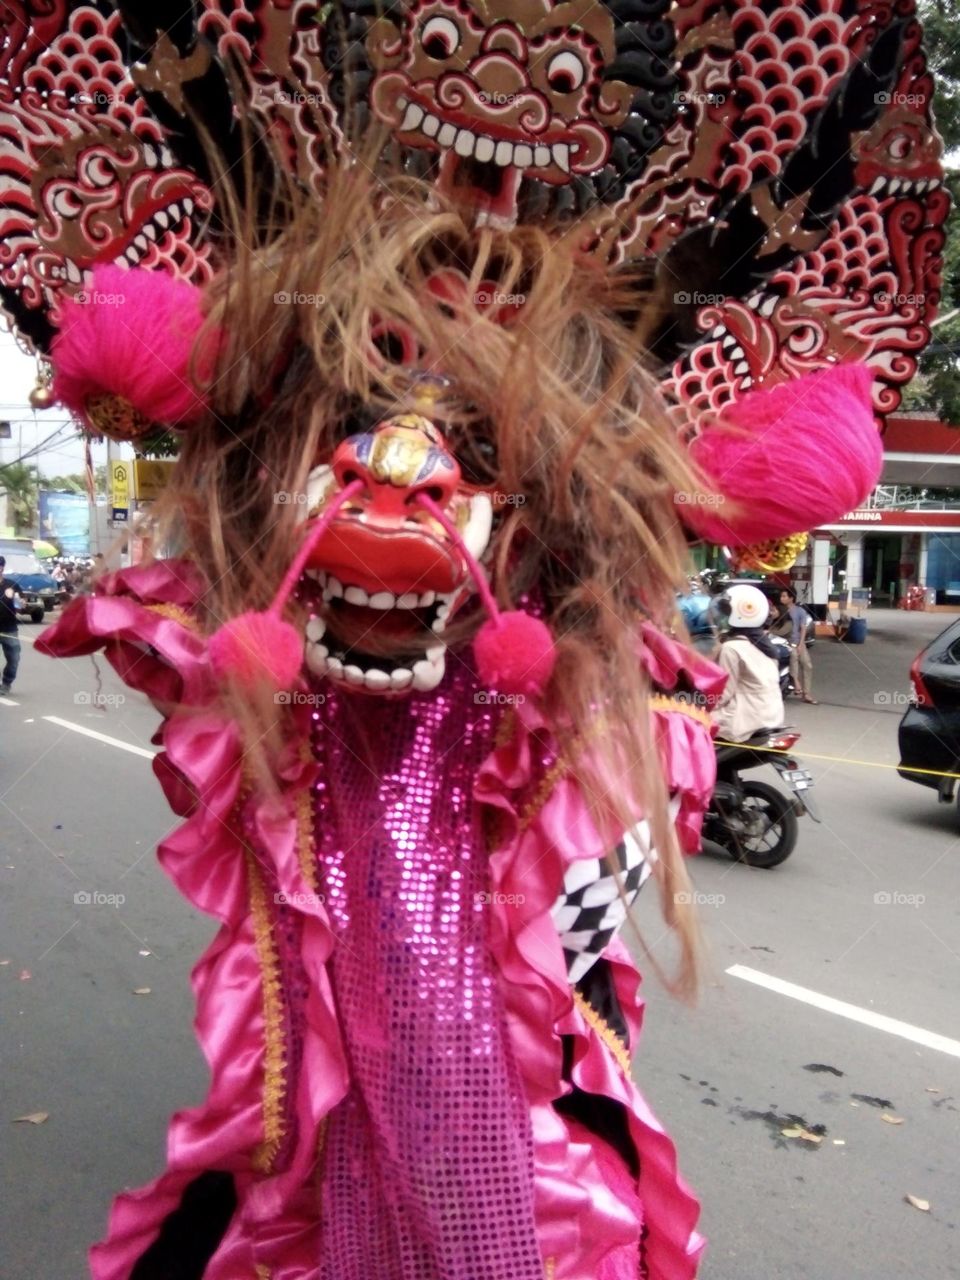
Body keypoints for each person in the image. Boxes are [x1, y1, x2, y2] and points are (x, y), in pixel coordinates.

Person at [714, 585, 785, 741]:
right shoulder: (767, 646)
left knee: (689, 722)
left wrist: (698, 706)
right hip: (772, 718)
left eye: (725, 613)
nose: (720, 618)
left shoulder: (731, 648)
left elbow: (724, 694)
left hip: (743, 722)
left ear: (737, 617)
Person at [780, 586, 817, 704]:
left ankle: (806, 693)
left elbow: (803, 628)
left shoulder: (800, 611)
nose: (782, 598)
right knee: (794, 658)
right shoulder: (781, 611)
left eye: (784, 596)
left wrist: (801, 644)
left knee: (807, 665)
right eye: (781, 596)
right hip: (787, 643)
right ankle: (796, 683)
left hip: (799, 643)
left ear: (791, 598)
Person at [0, 556, 23, 696]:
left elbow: (20, 607)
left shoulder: (12, 585)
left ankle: (6, 683)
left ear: (2, 568)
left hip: (9, 628)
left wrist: (15, 598)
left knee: (14, 658)